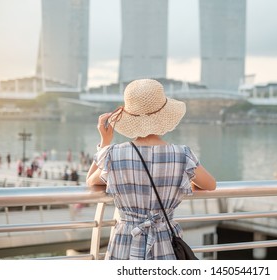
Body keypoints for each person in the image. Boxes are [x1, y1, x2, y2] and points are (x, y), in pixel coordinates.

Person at [86, 79, 216, 260]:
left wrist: (105, 142)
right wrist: (180, 185)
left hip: (126, 240)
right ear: (164, 115)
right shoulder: (182, 154)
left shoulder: (113, 154)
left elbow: (91, 181)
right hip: (165, 240)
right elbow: (210, 184)